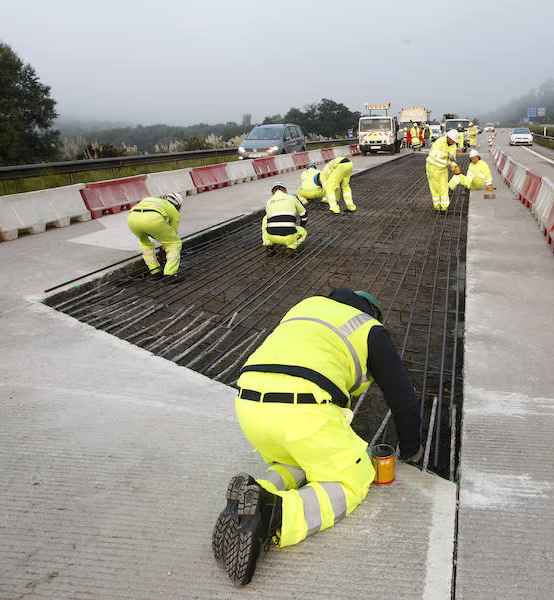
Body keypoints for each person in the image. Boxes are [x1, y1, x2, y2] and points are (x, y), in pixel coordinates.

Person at [213, 287, 423, 586]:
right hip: (304, 409)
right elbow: (403, 398)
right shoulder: (369, 328)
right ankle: (277, 517)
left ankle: (252, 494)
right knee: (352, 480)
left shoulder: (304, 307)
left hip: (249, 404)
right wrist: (412, 449)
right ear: (371, 312)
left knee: (296, 460)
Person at [127, 192, 183, 283]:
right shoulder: (173, 210)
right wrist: (165, 248)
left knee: (145, 243)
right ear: (178, 205)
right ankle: (170, 273)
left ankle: (155, 271)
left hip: (132, 219)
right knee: (174, 243)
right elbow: (173, 234)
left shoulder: (152, 200)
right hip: (152, 219)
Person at [262, 182, 308, 250]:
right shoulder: (292, 198)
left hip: (271, 236)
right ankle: (292, 246)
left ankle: (268, 244)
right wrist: (302, 226)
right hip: (289, 238)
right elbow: (304, 215)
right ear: (285, 191)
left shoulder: (269, 201)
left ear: (272, 193)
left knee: (265, 218)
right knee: (303, 232)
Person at [425, 129, 460, 211]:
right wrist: (446, 155)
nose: (454, 143)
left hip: (443, 169)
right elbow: (435, 154)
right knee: (435, 189)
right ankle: (437, 207)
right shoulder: (439, 142)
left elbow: (452, 159)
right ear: (448, 138)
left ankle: (444, 207)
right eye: (453, 141)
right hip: (433, 168)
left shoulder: (453, 146)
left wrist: (454, 167)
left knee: (444, 188)